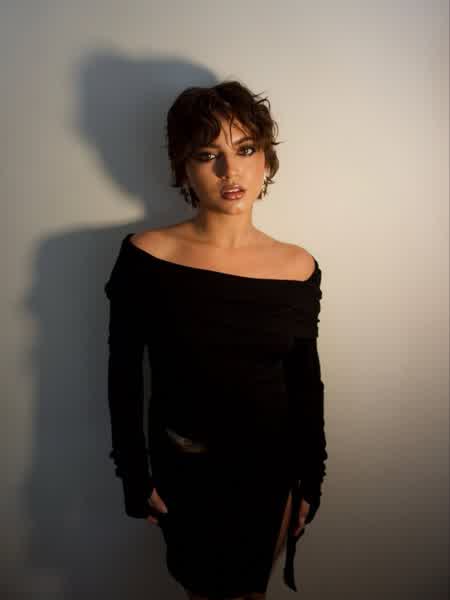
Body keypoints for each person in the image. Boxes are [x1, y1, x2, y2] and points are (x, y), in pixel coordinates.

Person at [104, 80, 328, 600]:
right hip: (189, 471)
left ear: (266, 158)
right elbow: (123, 375)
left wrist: (311, 478)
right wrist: (133, 474)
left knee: (253, 593)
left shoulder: (298, 266)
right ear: (184, 167)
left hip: (272, 472)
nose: (231, 171)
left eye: (245, 149)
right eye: (209, 155)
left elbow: (305, 383)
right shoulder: (147, 257)